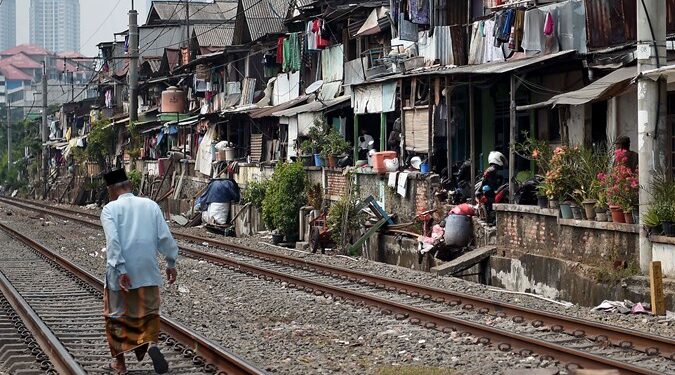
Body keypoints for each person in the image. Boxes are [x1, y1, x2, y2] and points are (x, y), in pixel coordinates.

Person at [100, 169, 178, 374]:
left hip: (120, 274)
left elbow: (113, 241)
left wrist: (121, 269)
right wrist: (171, 263)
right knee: (149, 313)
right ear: (129, 185)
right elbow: (165, 238)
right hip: (148, 271)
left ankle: (120, 364)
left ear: (111, 189)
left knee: (115, 316)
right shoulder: (150, 205)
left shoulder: (110, 209)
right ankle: (151, 344)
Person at [479, 151, 507, 219]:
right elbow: (493, 185)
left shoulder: (491, 169)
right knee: (506, 188)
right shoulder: (492, 169)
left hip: (488, 193)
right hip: (490, 194)